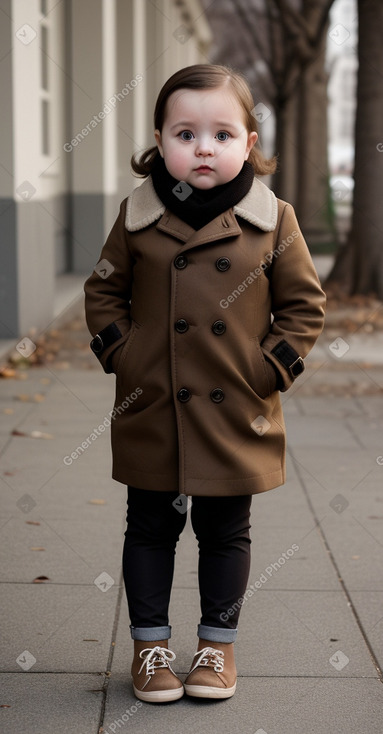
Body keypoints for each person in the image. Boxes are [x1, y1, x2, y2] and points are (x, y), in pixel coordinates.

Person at [84, 64, 326, 704]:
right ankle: (151, 647)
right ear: (161, 141)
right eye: (185, 133)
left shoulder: (274, 219)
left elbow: (304, 307)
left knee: (226, 531)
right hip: (154, 404)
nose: (203, 147)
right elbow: (104, 290)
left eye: (221, 133)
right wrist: (125, 358)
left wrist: (266, 369)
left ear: (248, 143)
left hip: (235, 407)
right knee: (149, 529)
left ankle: (217, 648)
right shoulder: (137, 216)